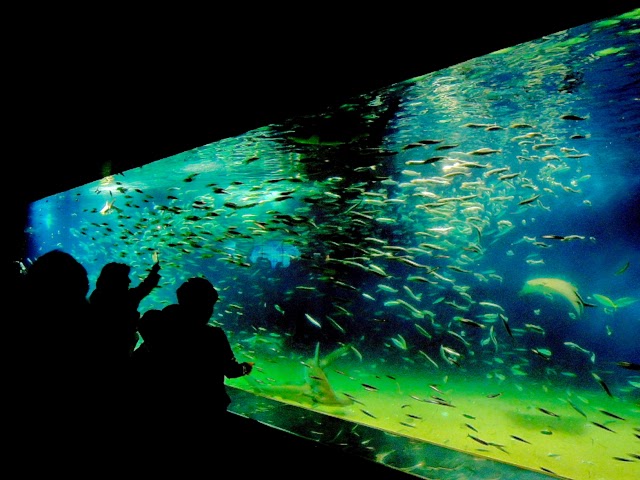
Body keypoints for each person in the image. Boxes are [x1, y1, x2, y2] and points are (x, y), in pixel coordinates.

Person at [134, 276, 254, 449]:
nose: (211, 311)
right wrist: (246, 367)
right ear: (204, 306)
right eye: (210, 305)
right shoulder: (213, 336)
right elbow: (231, 371)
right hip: (203, 411)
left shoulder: (161, 328)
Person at [88, 253, 161, 367]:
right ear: (115, 280)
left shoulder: (96, 297)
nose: (129, 280)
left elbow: (145, 287)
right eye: (125, 277)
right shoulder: (127, 298)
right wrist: (155, 269)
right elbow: (145, 287)